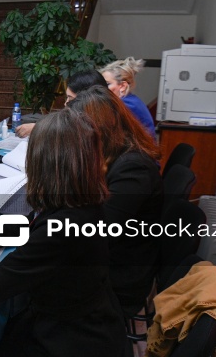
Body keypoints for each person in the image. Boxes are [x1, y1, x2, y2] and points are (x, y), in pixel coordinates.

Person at [0, 109, 126, 356]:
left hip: (70, 339)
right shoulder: (81, 199)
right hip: (89, 320)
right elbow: (31, 224)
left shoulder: (63, 227)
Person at [67, 85, 163, 317]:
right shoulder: (114, 155)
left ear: (97, 130)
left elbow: (95, 233)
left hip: (120, 278)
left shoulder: (134, 168)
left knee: (29, 282)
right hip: (110, 258)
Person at [14, 69, 108, 138]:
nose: (66, 103)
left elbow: (72, 133)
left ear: (87, 98)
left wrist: (37, 129)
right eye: (67, 97)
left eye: (71, 98)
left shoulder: (99, 126)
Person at [100, 57, 156, 139]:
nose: (102, 87)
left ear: (123, 86)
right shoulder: (131, 100)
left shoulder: (126, 105)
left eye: (107, 84)